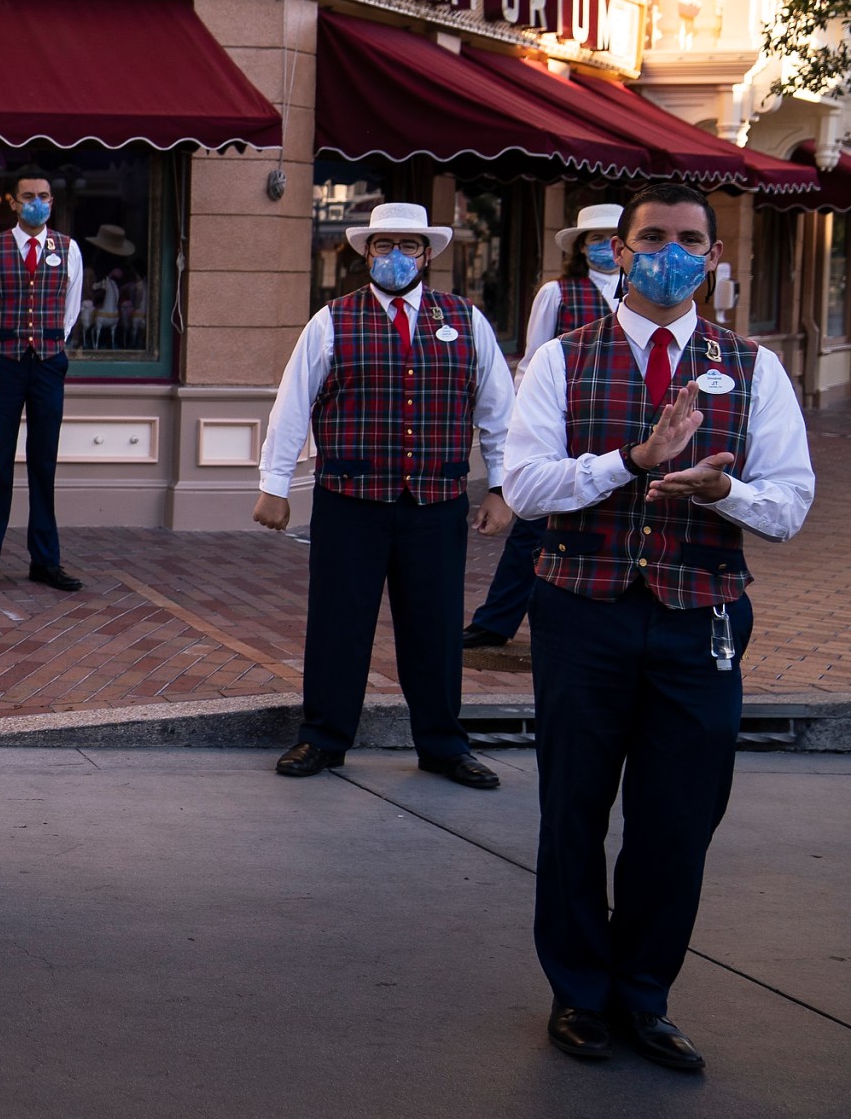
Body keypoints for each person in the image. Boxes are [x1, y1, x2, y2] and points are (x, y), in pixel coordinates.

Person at [502, 183, 812, 1071]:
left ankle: (645, 994)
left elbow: (789, 507)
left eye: (688, 240)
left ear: (712, 259)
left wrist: (727, 493)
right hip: (581, 612)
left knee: (679, 819)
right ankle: (579, 994)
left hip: (700, 619)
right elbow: (524, 487)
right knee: (572, 809)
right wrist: (629, 462)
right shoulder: (563, 359)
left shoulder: (753, 366)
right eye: (651, 238)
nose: (668, 253)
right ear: (620, 251)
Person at [255, 201, 514, 790]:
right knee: (338, 623)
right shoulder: (331, 320)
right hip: (350, 498)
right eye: (383, 246)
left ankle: (443, 745)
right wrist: (274, 485)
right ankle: (322, 737)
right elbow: (291, 406)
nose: (395, 258)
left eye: (409, 247)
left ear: (428, 255)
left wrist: (501, 487)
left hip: (436, 500)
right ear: (365, 254)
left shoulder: (466, 321)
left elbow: (500, 413)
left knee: (437, 627)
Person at [462, 203, 623, 649]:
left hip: (619, 427)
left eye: (612, 237)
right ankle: (497, 620)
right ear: (579, 246)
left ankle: (592, 624)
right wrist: (521, 425)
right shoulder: (559, 292)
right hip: (562, 423)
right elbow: (531, 361)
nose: (604, 247)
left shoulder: (643, 294)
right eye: (594, 239)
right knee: (534, 526)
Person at [0, 172, 84, 593]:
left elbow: (70, 309)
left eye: (45, 196)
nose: (38, 202)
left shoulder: (68, 250)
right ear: (14, 203)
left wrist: (48, 341)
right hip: (5, 362)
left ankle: (45, 560)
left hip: (49, 363)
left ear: (53, 201)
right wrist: (6, 342)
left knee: (43, 463)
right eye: (29, 196)